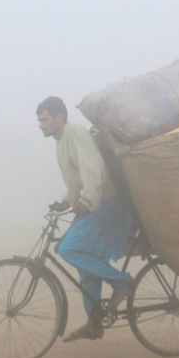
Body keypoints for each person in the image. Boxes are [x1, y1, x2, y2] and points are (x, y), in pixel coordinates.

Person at [37, 96, 133, 342]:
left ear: (60, 117)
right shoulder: (60, 141)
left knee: (68, 249)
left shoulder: (75, 132)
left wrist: (87, 201)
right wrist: (67, 201)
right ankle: (94, 323)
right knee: (86, 264)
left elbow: (93, 170)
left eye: (45, 119)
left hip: (104, 204)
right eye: (39, 120)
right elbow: (74, 179)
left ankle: (122, 282)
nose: (41, 125)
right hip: (92, 204)